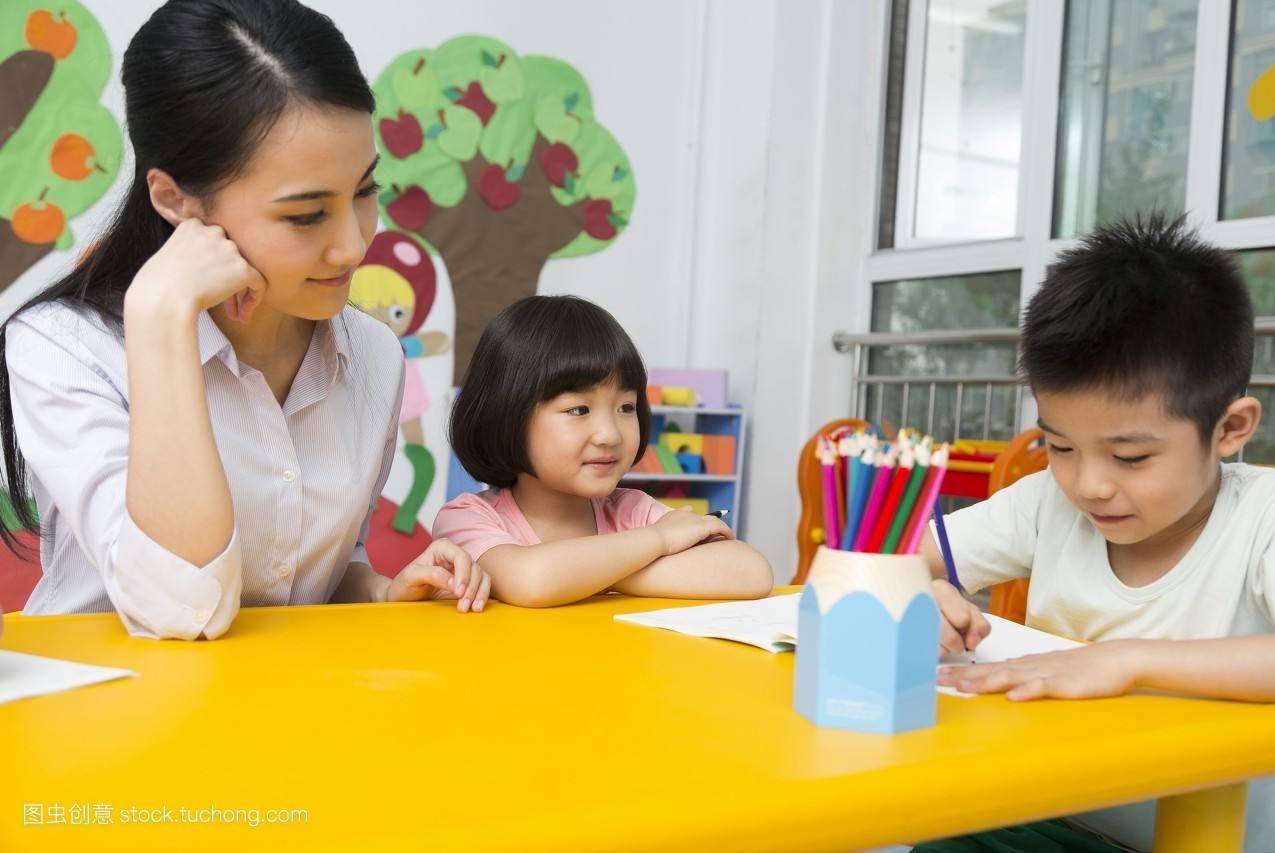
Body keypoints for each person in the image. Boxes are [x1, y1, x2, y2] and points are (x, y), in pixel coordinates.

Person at [3, 0, 488, 641]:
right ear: (176, 201)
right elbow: (182, 613)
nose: (352, 245)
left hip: (271, 716)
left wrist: (382, 590)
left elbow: (311, 573)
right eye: (306, 215)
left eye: (365, 192)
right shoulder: (65, 348)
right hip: (93, 711)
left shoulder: (372, 354)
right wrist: (162, 317)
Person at [917, 215, 1275, 852]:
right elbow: (901, 553)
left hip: (1200, 837)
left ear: (1230, 429)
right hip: (1046, 813)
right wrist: (913, 588)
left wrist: (1126, 660)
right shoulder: (1045, 504)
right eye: (1060, 446)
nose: (1088, 485)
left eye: (1131, 457)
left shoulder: (1264, 519)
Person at [433, 295, 775, 607]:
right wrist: (657, 542)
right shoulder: (466, 518)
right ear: (508, 415)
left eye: (626, 407)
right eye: (579, 410)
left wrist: (588, 575)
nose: (610, 434)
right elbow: (532, 581)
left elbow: (750, 573)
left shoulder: (631, 511)